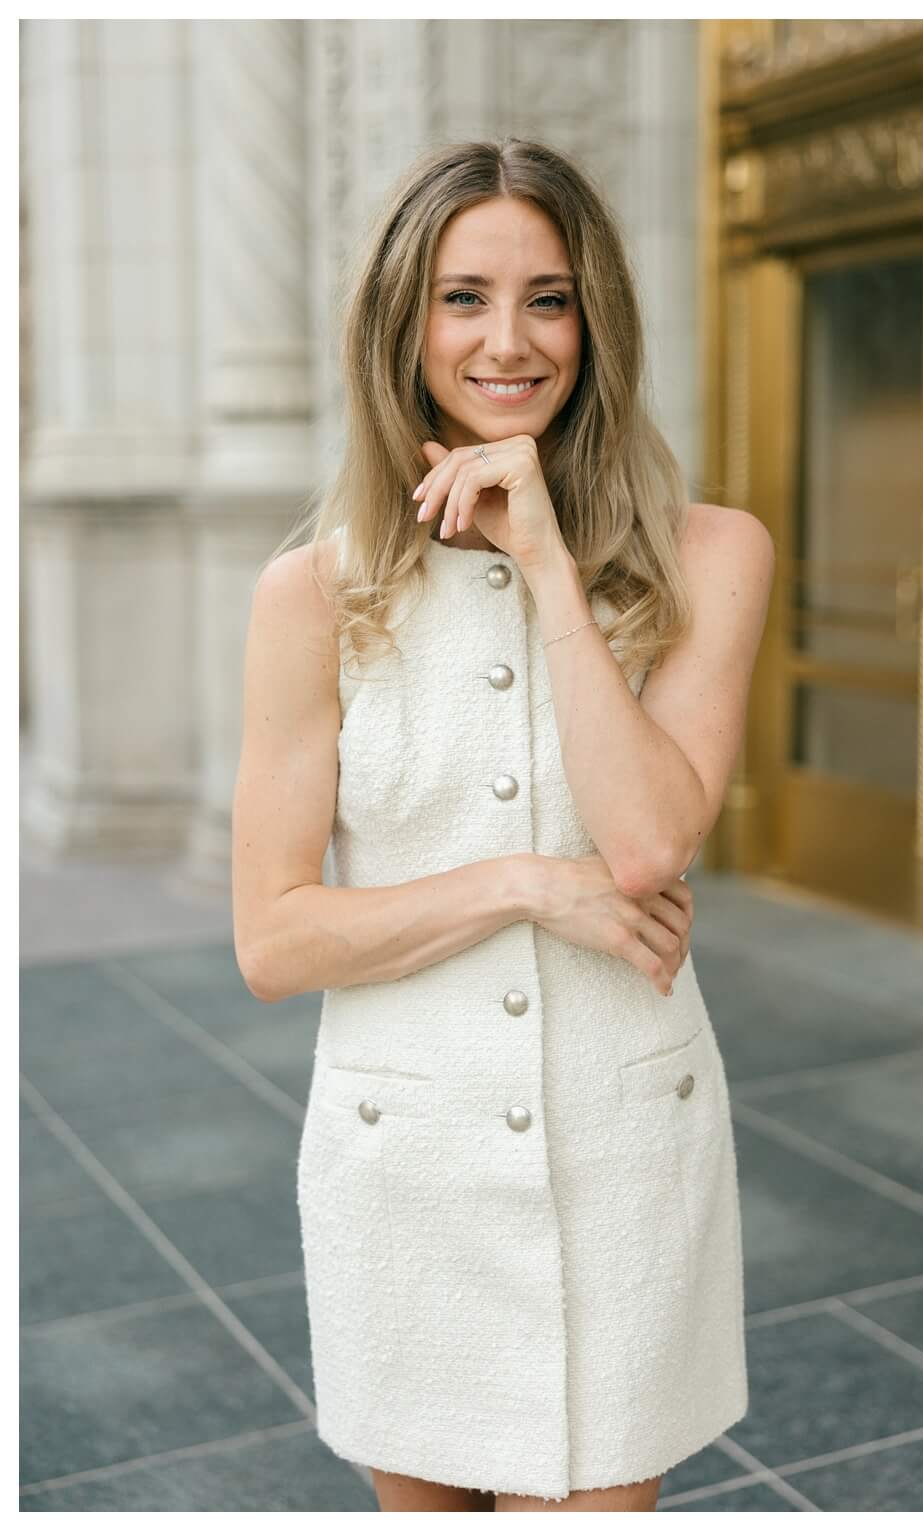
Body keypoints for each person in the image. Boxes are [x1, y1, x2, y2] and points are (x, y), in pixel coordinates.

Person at [229, 139, 771, 1512]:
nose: (509, 340)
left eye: (550, 296)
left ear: (600, 321)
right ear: (403, 325)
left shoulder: (715, 553)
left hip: (624, 1142)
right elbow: (275, 940)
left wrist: (545, 562)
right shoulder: (308, 595)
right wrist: (529, 882)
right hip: (402, 1159)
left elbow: (650, 848)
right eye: (465, 297)